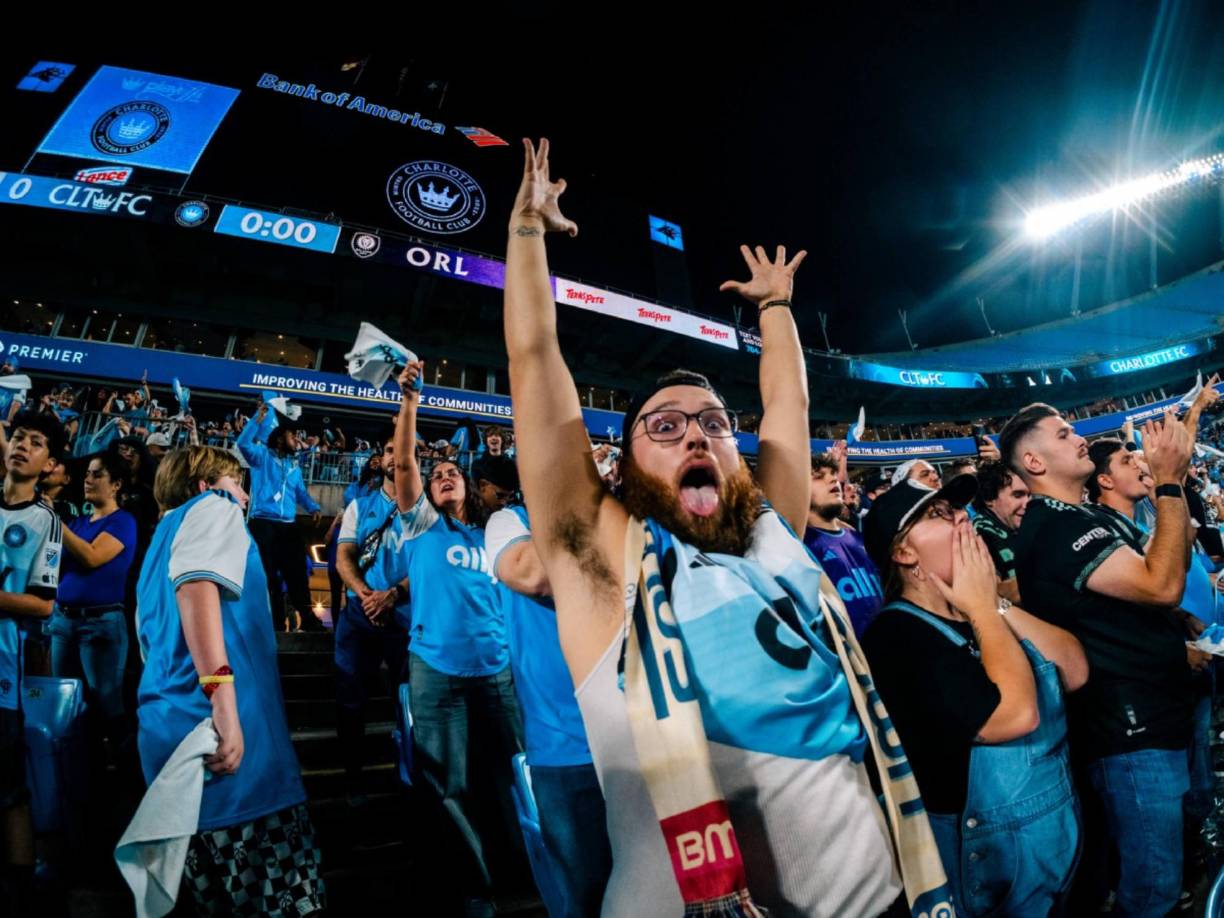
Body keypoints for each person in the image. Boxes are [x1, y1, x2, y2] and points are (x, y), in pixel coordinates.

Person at [502, 138, 951, 916]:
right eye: (665, 426)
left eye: (712, 423)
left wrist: (776, 308)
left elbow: (788, 410)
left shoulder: (771, 535)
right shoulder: (603, 562)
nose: (697, 436)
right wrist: (527, 234)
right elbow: (535, 359)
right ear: (622, 471)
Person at [1001, 403, 1196, 916]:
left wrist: (1165, 489)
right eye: (1064, 434)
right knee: (1151, 893)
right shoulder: (1056, 528)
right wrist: (1171, 484)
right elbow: (1162, 585)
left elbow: (1169, 556)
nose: (1079, 437)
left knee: (1165, 878)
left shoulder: (1082, 515)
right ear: (1034, 462)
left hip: (1151, 717)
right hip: (1130, 733)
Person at [861, 475, 1086, 916]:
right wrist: (984, 607)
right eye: (937, 514)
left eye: (957, 508)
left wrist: (994, 604)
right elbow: (1015, 716)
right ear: (904, 553)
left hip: (1051, 841)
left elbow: (1074, 669)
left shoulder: (984, 612)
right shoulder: (896, 636)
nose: (961, 516)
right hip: (988, 870)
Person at [135, 446, 324, 915]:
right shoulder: (213, 508)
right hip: (228, 747)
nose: (243, 497)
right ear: (206, 485)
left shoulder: (159, 539)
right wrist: (223, 703)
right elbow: (196, 587)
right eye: (238, 484)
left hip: (169, 743)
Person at [391, 364, 525, 917]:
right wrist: (410, 400)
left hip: (498, 673)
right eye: (436, 471)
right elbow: (404, 463)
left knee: (515, 773)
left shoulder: (494, 532)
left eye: (453, 471)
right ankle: (475, 887)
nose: (444, 475)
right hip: (437, 676)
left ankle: (528, 867)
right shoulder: (421, 527)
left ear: (470, 486)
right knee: (450, 786)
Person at [486, 485, 613, 916]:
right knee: (585, 902)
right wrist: (589, 510)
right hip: (567, 751)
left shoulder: (626, 516)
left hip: (645, 743)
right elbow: (534, 575)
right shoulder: (509, 522)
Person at [0, 411, 64, 912]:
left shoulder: (47, 524)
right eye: (19, 436)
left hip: (4, 678)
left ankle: (21, 892)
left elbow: (43, 604)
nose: (22, 445)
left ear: (48, 463)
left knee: (9, 789)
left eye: (36, 442)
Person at [333, 435, 410, 802]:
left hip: (407, 620)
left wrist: (393, 595)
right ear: (380, 459)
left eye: (404, 450)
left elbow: (429, 562)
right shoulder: (359, 507)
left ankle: (410, 774)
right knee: (350, 699)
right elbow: (343, 557)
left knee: (408, 703)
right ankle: (352, 779)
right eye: (391, 449)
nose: (397, 456)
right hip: (360, 616)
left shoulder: (426, 511)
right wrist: (367, 596)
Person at [49, 452, 137, 739]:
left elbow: (91, 557)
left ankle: (119, 768)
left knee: (107, 704)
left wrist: (54, 523)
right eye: (87, 473)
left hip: (99, 624)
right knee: (64, 700)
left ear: (116, 485)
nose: (88, 479)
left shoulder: (123, 522)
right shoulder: (79, 523)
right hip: (63, 622)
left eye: (97, 474)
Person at [236, 402, 324, 632]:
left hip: (288, 526)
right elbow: (242, 443)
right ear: (277, 439)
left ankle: (307, 617)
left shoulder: (293, 466)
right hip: (263, 523)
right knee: (267, 575)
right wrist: (257, 418)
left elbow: (300, 492)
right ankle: (272, 621)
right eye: (292, 435)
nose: (297, 439)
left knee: (297, 574)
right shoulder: (260, 457)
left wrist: (312, 507)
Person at [805, 451, 883, 636]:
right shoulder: (800, 545)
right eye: (818, 477)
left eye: (833, 474)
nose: (832, 480)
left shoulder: (857, 537)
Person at [970, 459, 1030, 602]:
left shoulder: (1022, 526)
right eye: (1018, 495)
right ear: (989, 498)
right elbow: (992, 596)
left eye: (1030, 495)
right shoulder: (979, 535)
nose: (1028, 503)